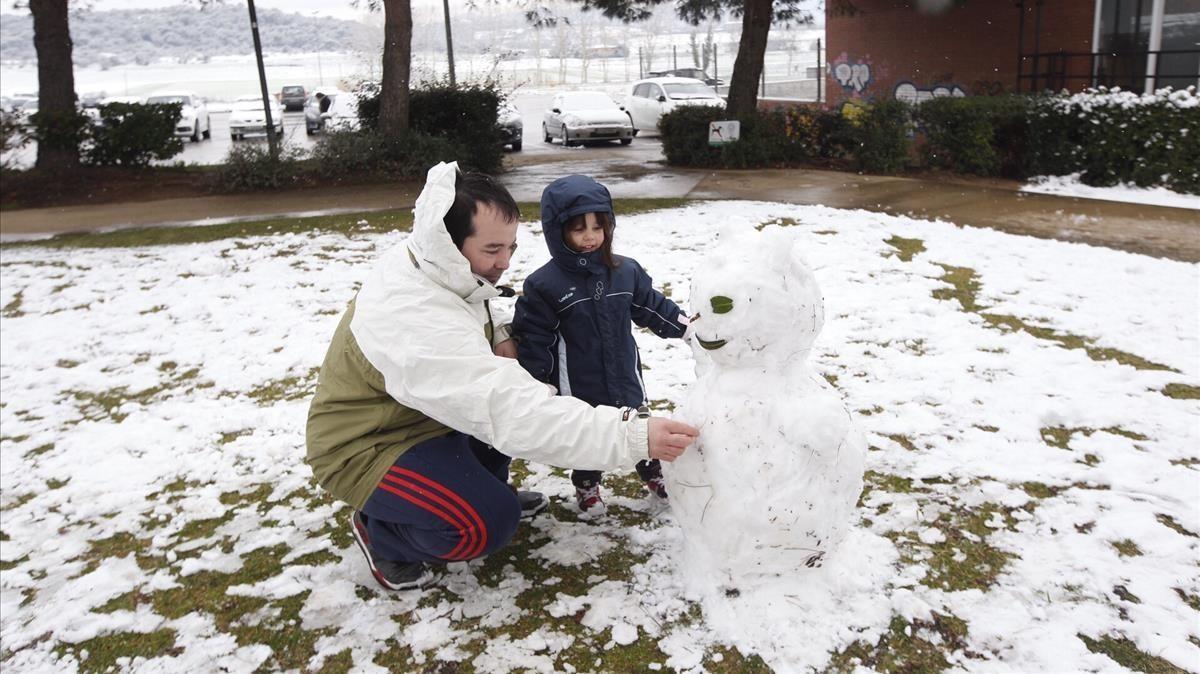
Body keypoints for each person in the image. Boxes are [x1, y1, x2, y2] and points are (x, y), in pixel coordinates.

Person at [305, 162, 699, 591]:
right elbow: (507, 409)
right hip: (368, 442)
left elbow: (480, 323)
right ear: (449, 243)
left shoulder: (442, 268)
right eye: (493, 250)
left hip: (427, 417)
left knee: (496, 441)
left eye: (510, 247)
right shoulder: (413, 313)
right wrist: (632, 436)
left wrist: (506, 335)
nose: (505, 263)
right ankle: (382, 533)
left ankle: (472, 490)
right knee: (485, 524)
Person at [513, 175, 691, 516]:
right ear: (558, 231)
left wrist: (686, 330)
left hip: (624, 374)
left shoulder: (625, 272)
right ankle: (587, 484)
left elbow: (651, 307)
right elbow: (536, 338)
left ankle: (651, 471)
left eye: (599, 226)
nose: (591, 236)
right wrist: (535, 382)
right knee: (588, 436)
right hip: (581, 382)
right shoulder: (545, 285)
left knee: (637, 422)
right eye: (579, 228)